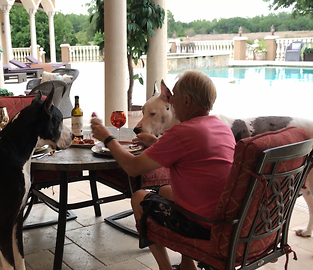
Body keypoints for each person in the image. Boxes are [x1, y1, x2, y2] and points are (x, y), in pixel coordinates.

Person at [90, 70, 236, 270]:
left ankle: (165, 268)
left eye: (174, 97)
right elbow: (192, 157)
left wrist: (107, 138)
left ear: (186, 100)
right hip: (226, 216)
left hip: (202, 225)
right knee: (167, 190)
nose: (171, 103)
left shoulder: (182, 132)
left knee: (139, 198)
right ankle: (187, 265)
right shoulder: (221, 127)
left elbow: (133, 168)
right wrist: (157, 143)